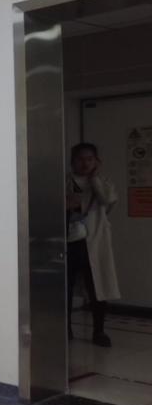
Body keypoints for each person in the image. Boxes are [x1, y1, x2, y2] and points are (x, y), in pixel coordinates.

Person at [66, 142, 120, 347]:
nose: (85, 163)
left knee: (97, 287)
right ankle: (65, 328)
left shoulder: (104, 182)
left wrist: (94, 178)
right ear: (73, 162)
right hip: (69, 242)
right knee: (65, 287)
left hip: (95, 241)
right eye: (80, 159)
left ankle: (99, 331)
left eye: (90, 159)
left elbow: (107, 200)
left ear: (97, 161)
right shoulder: (64, 181)